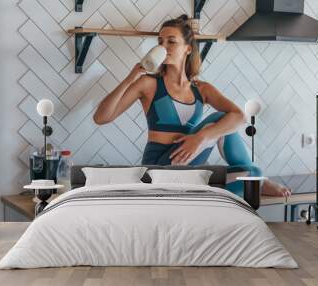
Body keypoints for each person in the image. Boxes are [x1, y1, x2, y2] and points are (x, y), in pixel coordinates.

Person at [93, 14, 291, 198]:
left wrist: (199, 138)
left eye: (171, 41)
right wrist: (130, 78)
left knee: (252, 173)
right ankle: (208, 192)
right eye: (160, 42)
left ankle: (209, 192)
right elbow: (101, 118)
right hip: (159, 168)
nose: (164, 47)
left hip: (191, 171)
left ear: (188, 48)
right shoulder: (149, 84)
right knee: (218, 119)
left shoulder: (201, 89)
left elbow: (239, 116)